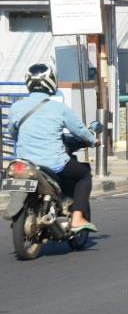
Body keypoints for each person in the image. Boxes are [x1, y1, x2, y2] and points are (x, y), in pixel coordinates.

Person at [7, 63, 98, 232]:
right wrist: (93, 140)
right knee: (84, 175)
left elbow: (12, 132)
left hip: (25, 163)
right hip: (53, 163)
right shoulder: (59, 108)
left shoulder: (15, 107)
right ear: (51, 82)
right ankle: (77, 219)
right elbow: (80, 131)